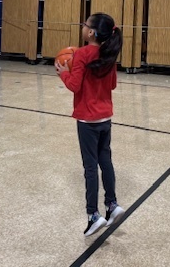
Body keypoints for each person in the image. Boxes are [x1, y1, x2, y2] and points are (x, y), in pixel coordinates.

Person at [55, 13, 126, 237]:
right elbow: (112, 84)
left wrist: (63, 74)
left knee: (90, 167)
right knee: (106, 161)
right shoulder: (108, 54)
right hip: (105, 118)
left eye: (85, 24)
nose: (82, 27)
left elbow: (75, 86)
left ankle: (93, 215)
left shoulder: (83, 54)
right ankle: (112, 204)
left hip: (88, 120)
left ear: (92, 32)